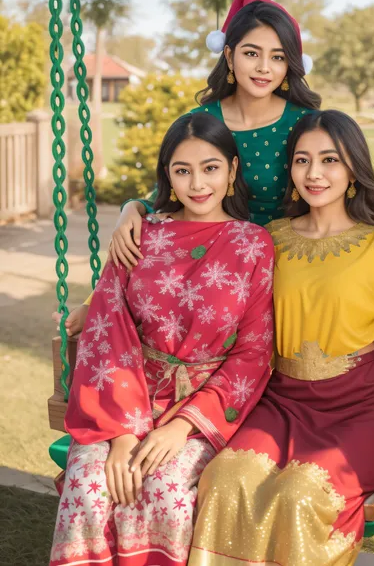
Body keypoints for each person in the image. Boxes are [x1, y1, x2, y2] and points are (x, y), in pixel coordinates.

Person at [55, 0, 374, 336]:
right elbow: (178, 183)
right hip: (214, 257)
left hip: (286, 261)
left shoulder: (303, 122)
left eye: (278, 57)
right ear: (229, 56)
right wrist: (134, 207)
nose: (264, 68)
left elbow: (343, 176)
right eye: (252, 53)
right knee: (145, 234)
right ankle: (101, 301)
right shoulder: (204, 119)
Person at [187, 110, 374, 566]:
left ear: (352, 171)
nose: (314, 173)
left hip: (359, 409)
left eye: (329, 160)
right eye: (302, 160)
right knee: (223, 479)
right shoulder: (269, 239)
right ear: (289, 170)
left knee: (300, 494)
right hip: (282, 401)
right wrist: (137, 212)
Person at [49, 113, 275, 566]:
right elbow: (106, 331)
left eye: (210, 168)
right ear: (167, 176)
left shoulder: (253, 245)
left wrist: (183, 424)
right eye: (182, 170)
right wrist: (120, 436)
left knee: (167, 491)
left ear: (232, 171)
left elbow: (253, 353)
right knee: (90, 486)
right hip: (123, 401)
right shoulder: (139, 236)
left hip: (200, 408)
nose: (197, 183)